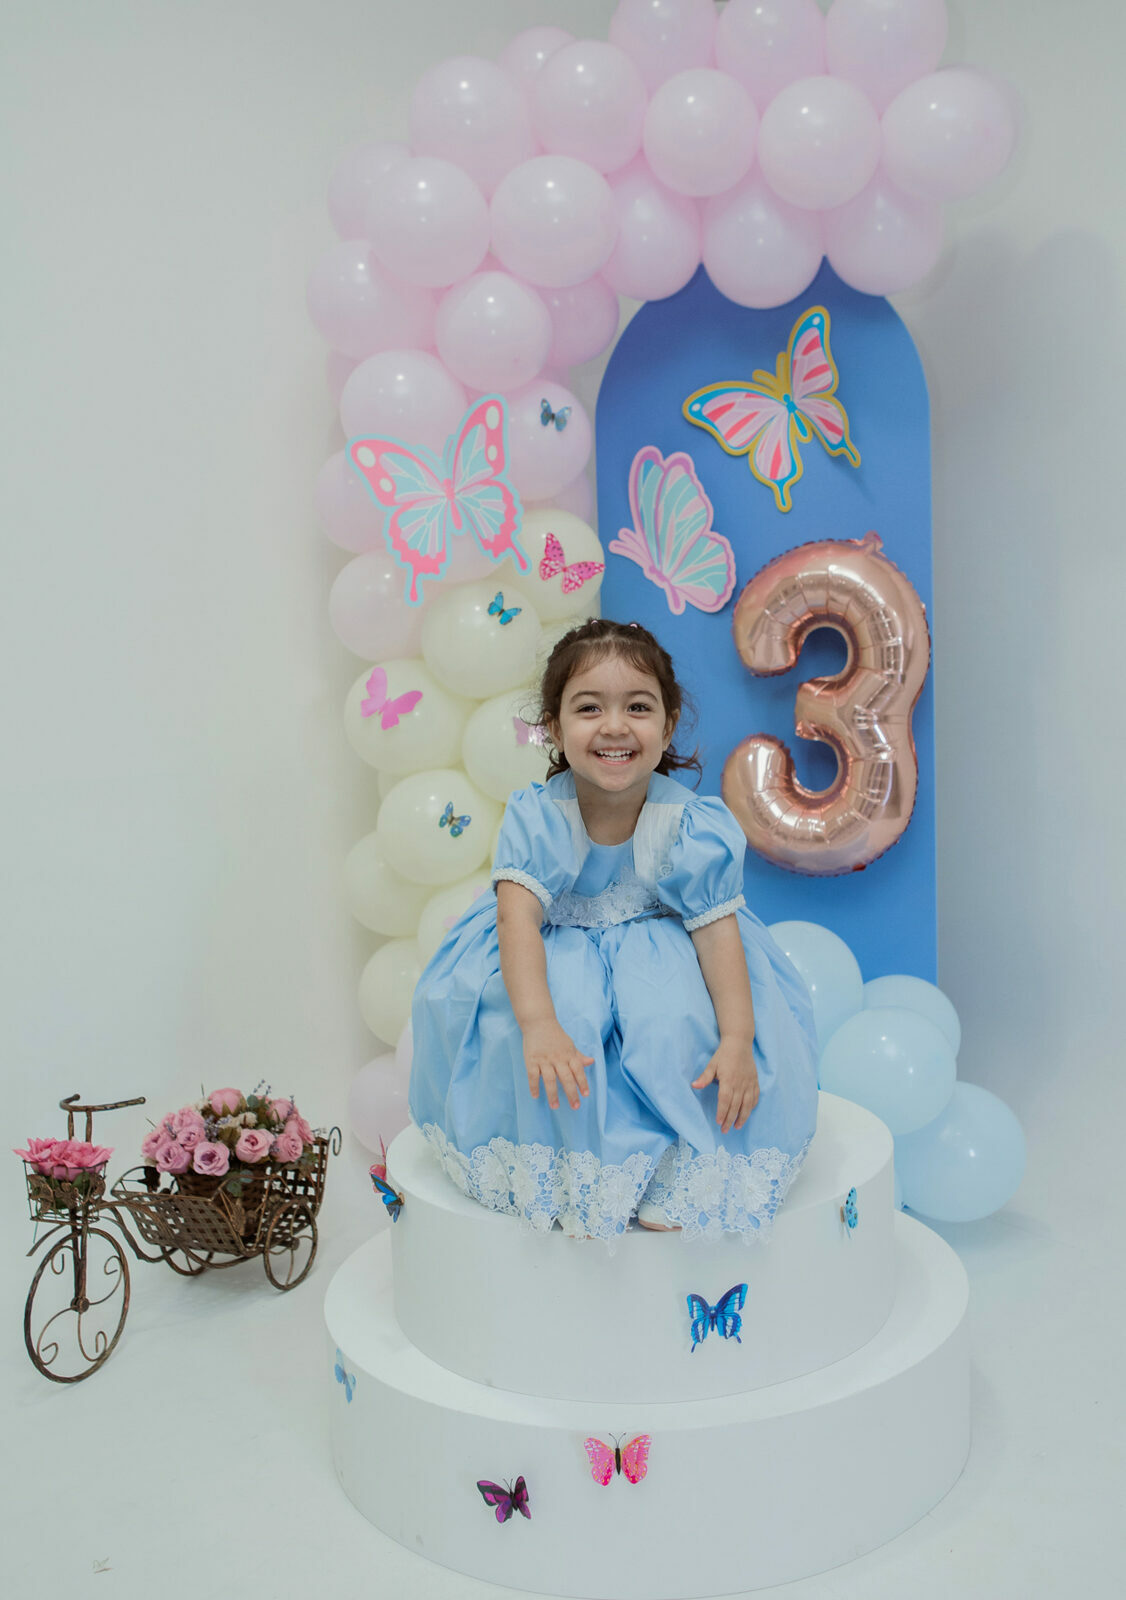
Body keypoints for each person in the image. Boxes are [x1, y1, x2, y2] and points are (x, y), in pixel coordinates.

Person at [409, 618, 819, 1243]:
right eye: (588, 708)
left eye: (638, 707)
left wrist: (739, 1037)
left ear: (668, 725)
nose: (615, 726)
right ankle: (576, 1174)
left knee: (673, 1019)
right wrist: (538, 1023)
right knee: (568, 1018)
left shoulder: (688, 823)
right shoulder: (540, 815)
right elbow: (518, 920)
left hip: (659, 944)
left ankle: (678, 1165)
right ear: (554, 727)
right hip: (551, 944)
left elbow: (717, 934)